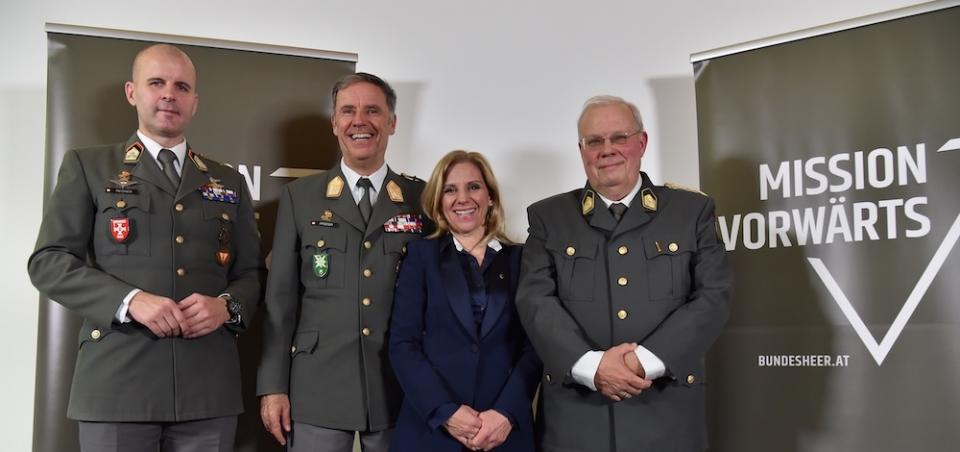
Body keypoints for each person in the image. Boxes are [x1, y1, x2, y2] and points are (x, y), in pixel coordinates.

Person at [28, 43, 262, 451]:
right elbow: (49, 261)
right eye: (157, 83)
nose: (169, 94)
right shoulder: (89, 166)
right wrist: (130, 300)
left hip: (207, 388)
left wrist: (227, 306)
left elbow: (251, 273)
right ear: (132, 93)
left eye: (181, 86)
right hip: (118, 386)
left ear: (195, 102)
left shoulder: (229, 181)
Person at [515, 95, 733, 452]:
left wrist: (640, 363)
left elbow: (713, 297)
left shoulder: (690, 211)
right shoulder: (549, 218)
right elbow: (535, 301)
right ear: (582, 150)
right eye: (594, 141)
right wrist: (593, 367)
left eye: (619, 137)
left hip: (667, 418)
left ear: (642, 142)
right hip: (577, 421)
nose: (607, 150)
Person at [257, 72, 431, 452]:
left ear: (392, 122)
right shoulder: (300, 198)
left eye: (373, 110)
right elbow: (281, 300)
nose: (360, 121)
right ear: (335, 123)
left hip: (399, 386)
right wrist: (273, 386)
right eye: (348, 111)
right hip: (317, 386)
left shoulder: (424, 199)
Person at [389, 151, 541, 452]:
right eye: (450, 189)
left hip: (503, 433)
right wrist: (446, 412)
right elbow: (403, 344)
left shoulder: (523, 259)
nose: (463, 198)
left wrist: (505, 413)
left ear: (491, 196)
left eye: (473, 187)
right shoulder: (421, 257)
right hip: (431, 433)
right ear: (439, 203)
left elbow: (535, 347)